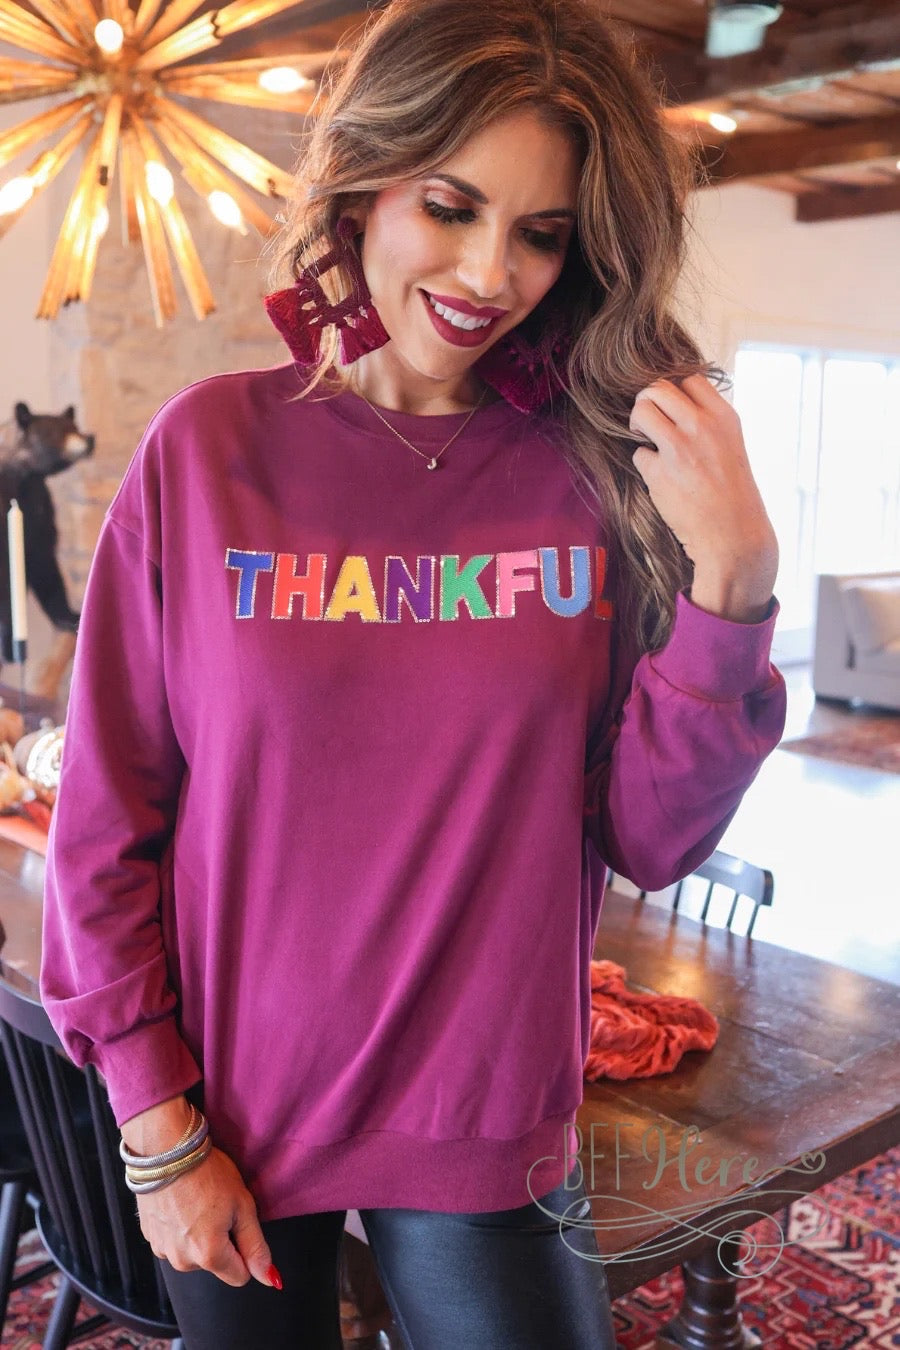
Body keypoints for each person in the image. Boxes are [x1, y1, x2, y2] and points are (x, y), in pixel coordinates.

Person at [39, 0, 787, 1346]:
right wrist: (158, 1131)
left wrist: (732, 586)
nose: (492, 271)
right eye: (450, 206)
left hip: (490, 1121)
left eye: (541, 232)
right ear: (365, 184)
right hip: (230, 1116)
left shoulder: (593, 478)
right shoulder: (209, 453)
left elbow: (651, 839)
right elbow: (107, 826)